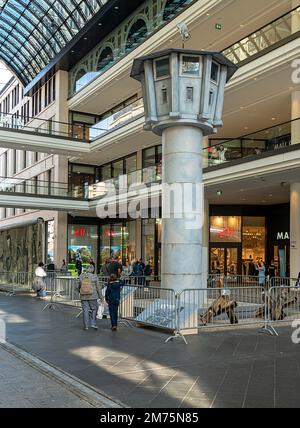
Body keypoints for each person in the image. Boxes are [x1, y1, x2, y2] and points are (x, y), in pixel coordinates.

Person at [77, 265, 102, 331]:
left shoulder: (81, 276)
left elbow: (78, 286)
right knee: (94, 309)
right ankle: (93, 323)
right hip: (93, 296)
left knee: (85, 310)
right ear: (92, 270)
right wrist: (101, 297)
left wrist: (79, 292)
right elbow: (98, 287)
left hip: (83, 296)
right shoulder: (94, 276)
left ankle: (86, 326)